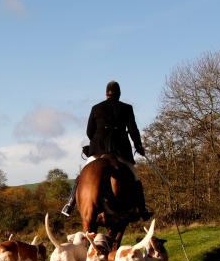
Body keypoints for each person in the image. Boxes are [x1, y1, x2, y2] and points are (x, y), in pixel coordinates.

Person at [61, 80, 152, 219]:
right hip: (120, 151)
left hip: (98, 150)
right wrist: (138, 146)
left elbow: (89, 131)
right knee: (135, 176)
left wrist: (97, 142)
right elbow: (133, 130)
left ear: (106, 94)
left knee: (82, 176)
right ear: (119, 94)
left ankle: (70, 203)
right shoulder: (127, 108)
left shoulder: (96, 108)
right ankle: (142, 208)